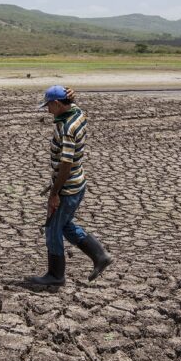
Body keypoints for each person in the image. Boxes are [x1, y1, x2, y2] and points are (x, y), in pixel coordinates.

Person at [30, 85, 113, 286]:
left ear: (57, 104)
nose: (47, 110)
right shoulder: (78, 113)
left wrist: (55, 193)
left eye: (48, 105)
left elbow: (66, 164)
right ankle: (99, 256)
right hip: (78, 182)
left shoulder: (67, 129)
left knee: (52, 229)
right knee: (65, 225)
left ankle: (56, 275)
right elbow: (73, 104)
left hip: (67, 187)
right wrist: (73, 96)